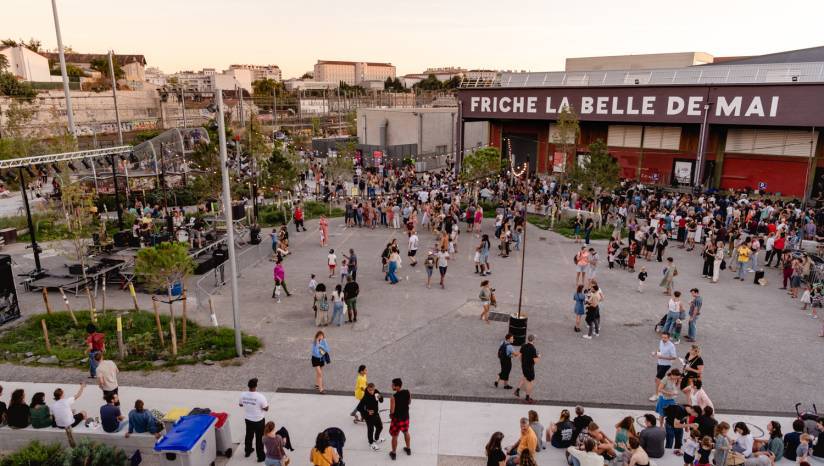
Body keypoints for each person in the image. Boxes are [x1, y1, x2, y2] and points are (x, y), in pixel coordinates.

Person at [240, 378, 269, 462]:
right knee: (259, 439)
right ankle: (260, 457)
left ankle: (247, 451)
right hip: (259, 420)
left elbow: (240, 404)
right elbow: (266, 408)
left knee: (249, 435)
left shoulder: (243, 395)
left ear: (248, 386)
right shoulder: (260, 397)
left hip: (248, 419)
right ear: (256, 386)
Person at [650, 332, 678, 402]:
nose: (663, 339)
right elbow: (660, 349)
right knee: (662, 379)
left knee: (657, 379)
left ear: (669, 338)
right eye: (662, 337)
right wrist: (655, 353)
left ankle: (657, 395)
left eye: (665, 338)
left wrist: (662, 357)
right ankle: (665, 392)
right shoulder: (661, 342)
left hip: (666, 364)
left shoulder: (671, 346)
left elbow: (674, 357)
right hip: (659, 363)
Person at [389, 377, 412, 460]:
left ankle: (393, 453)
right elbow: (409, 402)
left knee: (395, 436)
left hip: (396, 419)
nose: (391, 386)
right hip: (405, 418)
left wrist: (390, 415)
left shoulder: (393, 397)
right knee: (406, 432)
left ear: (396, 386)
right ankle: (408, 449)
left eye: (393, 385)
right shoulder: (408, 392)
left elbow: (392, 411)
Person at [514, 334, 540, 404]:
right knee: (530, 383)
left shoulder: (523, 346)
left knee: (525, 378)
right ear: (533, 340)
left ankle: (518, 390)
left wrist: (523, 362)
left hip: (524, 366)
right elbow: (536, 361)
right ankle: (527, 397)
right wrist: (539, 356)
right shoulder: (533, 349)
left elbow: (519, 356)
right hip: (529, 368)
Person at [362, 383, 385, 450]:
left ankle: (376, 438)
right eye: (370, 390)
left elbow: (381, 401)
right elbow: (361, 407)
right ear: (367, 389)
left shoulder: (376, 391)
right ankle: (371, 443)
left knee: (380, 427)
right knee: (371, 429)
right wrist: (367, 411)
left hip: (376, 414)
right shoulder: (365, 396)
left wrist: (380, 397)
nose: (372, 391)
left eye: (373, 390)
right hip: (368, 416)